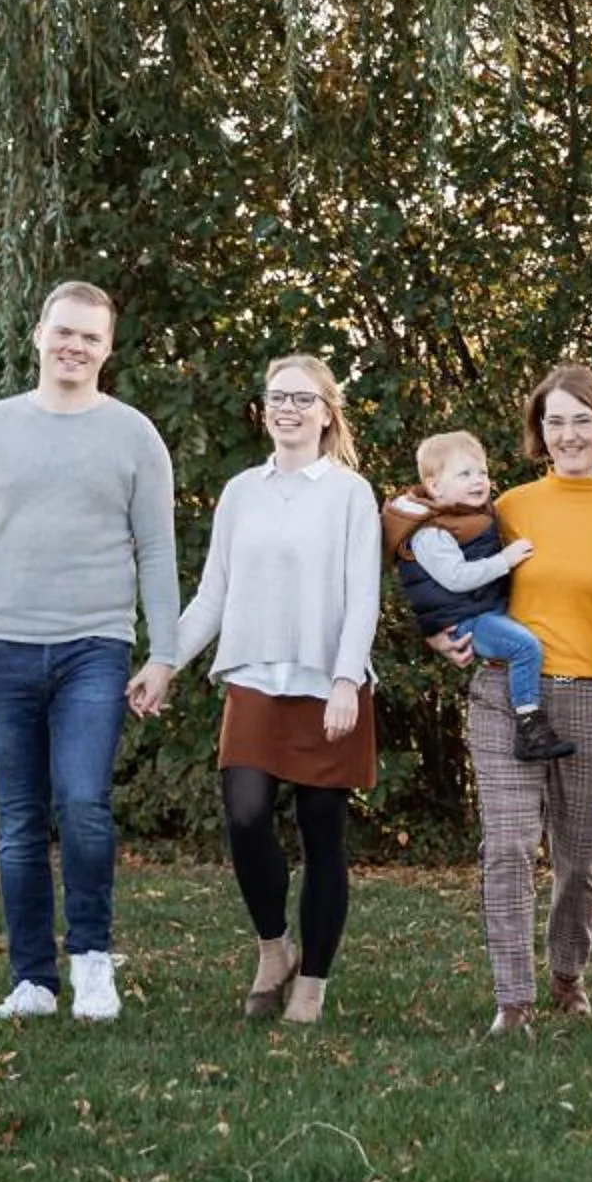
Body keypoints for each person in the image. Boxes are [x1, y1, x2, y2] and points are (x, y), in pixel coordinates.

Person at [0, 279, 179, 1024]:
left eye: (91, 337)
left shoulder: (134, 436)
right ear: (38, 335)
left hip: (97, 645)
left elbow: (157, 549)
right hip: (7, 650)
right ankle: (32, 981)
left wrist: (165, 655)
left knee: (84, 803)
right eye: (65, 332)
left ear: (108, 349)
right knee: (20, 821)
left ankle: (91, 962)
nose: (75, 346)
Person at [168, 355, 382, 1026]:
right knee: (245, 816)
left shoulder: (351, 493)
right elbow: (212, 596)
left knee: (323, 835)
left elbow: (362, 596)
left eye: (301, 397)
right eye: (276, 396)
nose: (286, 407)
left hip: (328, 684)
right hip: (255, 678)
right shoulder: (241, 492)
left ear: (326, 411)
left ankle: (312, 983)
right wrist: (162, 662)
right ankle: (273, 947)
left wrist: (348, 676)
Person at [452, 363, 592, 1036]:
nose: (568, 434)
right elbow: (442, 578)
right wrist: (440, 638)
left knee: (580, 853)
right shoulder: (506, 508)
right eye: (554, 421)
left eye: (581, 420)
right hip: (507, 696)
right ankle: (513, 998)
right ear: (540, 432)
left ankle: (567, 970)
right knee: (508, 845)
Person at [386, 432, 575, 765]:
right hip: (465, 621)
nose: (479, 481)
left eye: (483, 472)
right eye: (465, 474)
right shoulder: (431, 531)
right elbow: (456, 578)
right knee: (524, 646)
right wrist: (506, 560)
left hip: (480, 608)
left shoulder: (461, 517)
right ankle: (531, 727)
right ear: (434, 486)